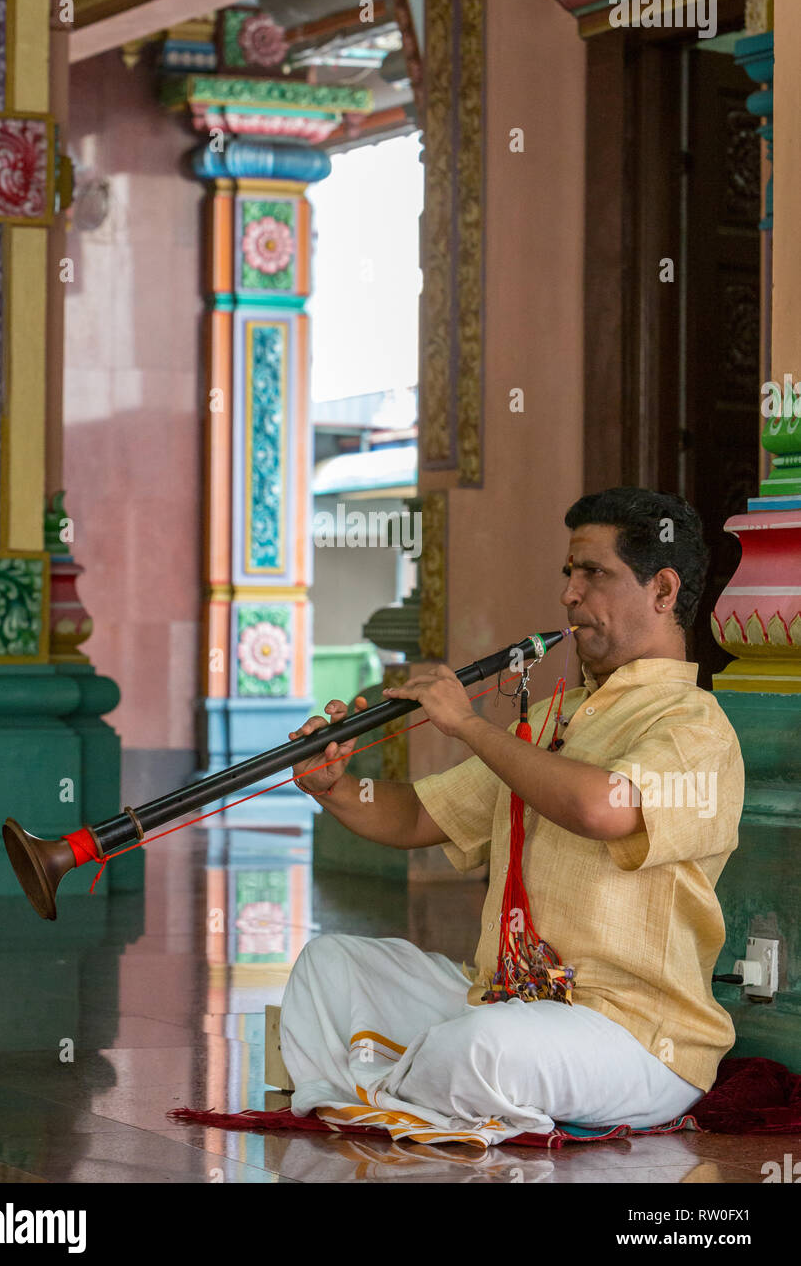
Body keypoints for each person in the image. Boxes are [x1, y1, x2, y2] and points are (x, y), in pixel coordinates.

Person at [279, 488, 744, 1147]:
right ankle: (410, 1096)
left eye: (594, 574)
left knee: (484, 1048)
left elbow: (600, 806)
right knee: (330, 968)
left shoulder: (694, 727)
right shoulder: (557, 718)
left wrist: (470, 726)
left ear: (664, 591)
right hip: (512, 1000)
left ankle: (387, 1092)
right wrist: (335, 787)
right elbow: (417, 816)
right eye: (568, 574)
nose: (570, 597)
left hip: (635, 1037)